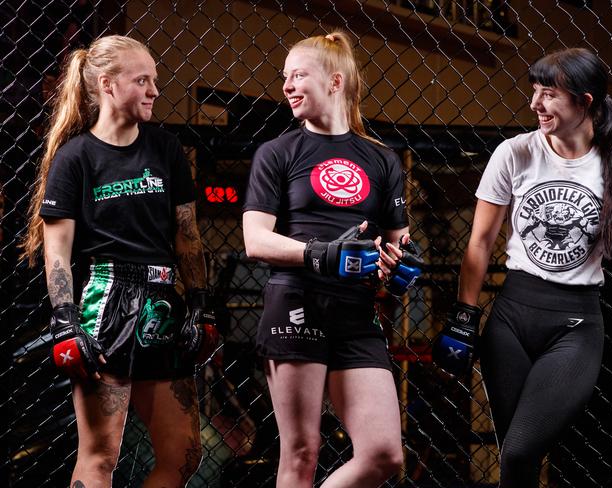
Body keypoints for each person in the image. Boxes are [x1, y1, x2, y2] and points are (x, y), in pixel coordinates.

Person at [431, 47, 612, 487]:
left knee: (520, 449)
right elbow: (479, 242)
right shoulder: (514, 153)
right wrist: (463, 314)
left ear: (585, 101)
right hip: (511, 318)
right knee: (518, 458)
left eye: (548, 94)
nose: (535, 104)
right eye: (534, 91)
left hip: (576, 326)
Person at [22, 35, 219, 488]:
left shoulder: (166, 149)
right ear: (108, 86)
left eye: (155, 79)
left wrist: (201, 303)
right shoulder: (76, 157)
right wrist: (67, 321)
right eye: (142, 80)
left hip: (164, 299)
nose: (154, 90)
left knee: (184, 453)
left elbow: (187, 235)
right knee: (100, 456)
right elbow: (58, 249)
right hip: (106, 300)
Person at [243, 31, 422, 488]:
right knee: (300, 454)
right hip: (297, 302)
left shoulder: (381, 159)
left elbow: (399, 243)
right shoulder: (277, 153)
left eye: (298, 75)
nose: (286, 85)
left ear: (335, 82)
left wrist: (399, 266)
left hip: (355, 313)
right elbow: (255, 240)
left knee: (383, 454)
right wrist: (320, 255)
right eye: (284, 77)